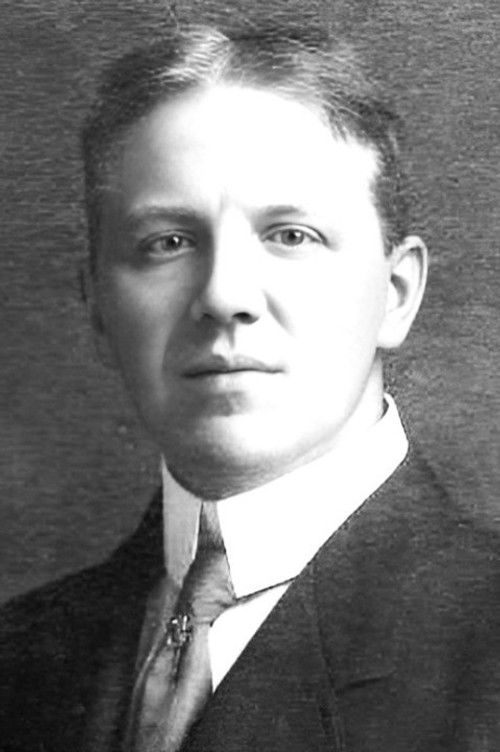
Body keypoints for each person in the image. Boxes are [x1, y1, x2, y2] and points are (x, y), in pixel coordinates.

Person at [1, 21, 500, 752]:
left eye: (291, 235)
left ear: (396, 295)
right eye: (167, 243)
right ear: (98, 307)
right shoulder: (20, 658)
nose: (224, 295)